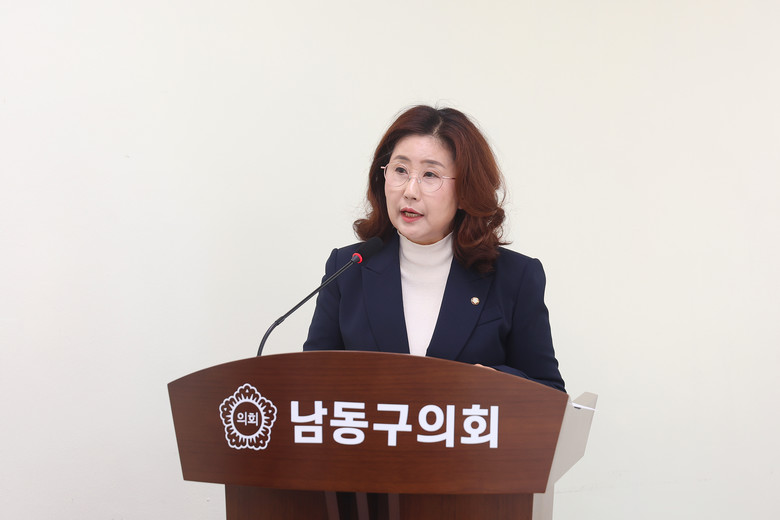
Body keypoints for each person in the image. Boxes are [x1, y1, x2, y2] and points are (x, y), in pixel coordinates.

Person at [303, 105, 565, 392]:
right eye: (400, 170)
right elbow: (311, 383)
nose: (410, 191)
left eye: (430, 175)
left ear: (465, 190)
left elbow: (550, 393)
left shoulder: (515, 277)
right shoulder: (347, 268)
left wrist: (495, 383)